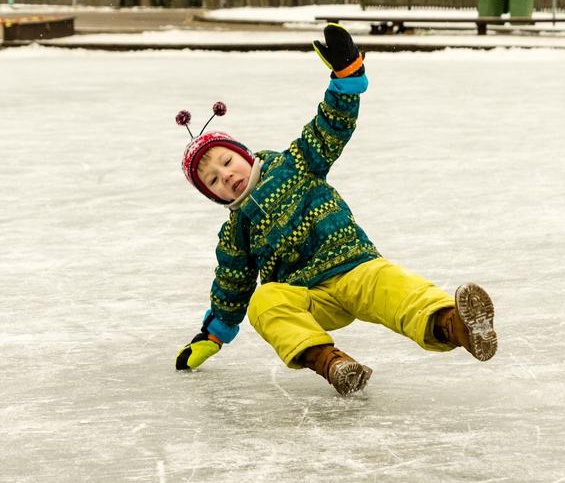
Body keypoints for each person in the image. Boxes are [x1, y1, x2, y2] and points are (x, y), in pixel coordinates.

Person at [173, 24, 498, 395]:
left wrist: (346, 78)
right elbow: (232, 285)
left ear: (243, 153)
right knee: (265, 302)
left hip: (354, 266)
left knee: (395, 287)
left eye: (228, 162)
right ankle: (333, 363)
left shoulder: (293, 163)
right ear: (212, 196)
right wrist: (212, 336)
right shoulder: (235, 232)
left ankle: (457, 325)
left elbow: (329, 128)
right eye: (213, 181)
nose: (226, 176)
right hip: (308, 296)